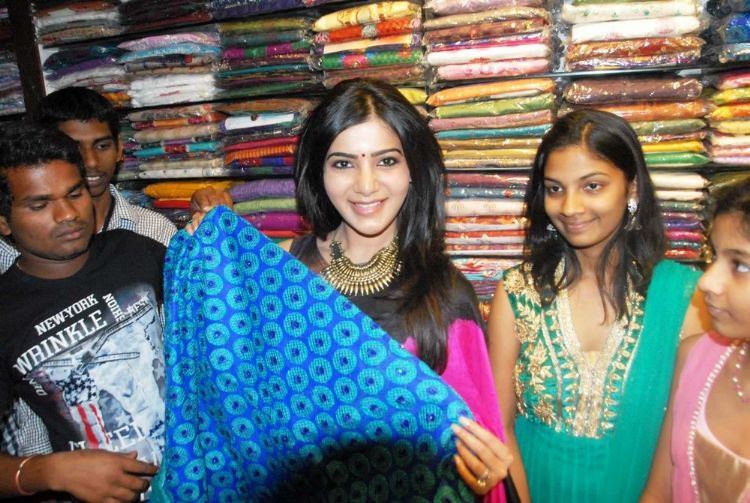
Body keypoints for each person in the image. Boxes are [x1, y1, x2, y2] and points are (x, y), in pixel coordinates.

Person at [188, 78, 513, 500]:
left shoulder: (445, 296)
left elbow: (476, 444)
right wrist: (206, 255)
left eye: (386, 161)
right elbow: (231, 404)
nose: (366, 185)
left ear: (413, 170)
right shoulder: (278, 274)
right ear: (318, 172)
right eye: (343, 164)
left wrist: (482, 477)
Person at [487, 109, 709, 503]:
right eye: (555, 189)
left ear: (632, 189)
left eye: (592, 186)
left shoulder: (686, 299)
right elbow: (499, 427)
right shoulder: (517, 293)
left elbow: (687, 443)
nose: (570, 207)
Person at [0, 86, 177, 459]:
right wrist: (42, 473)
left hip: (185, 465)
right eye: (40, 205)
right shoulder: (7, 307)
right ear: (4, 221)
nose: (67, 214)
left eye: (75, 193)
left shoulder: (138, 249)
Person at [641, 179, 750, 502]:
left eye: (740, 265)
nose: (706, 281)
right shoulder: (697, 358)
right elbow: (658, 493)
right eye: (713, 255)